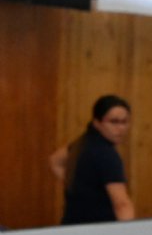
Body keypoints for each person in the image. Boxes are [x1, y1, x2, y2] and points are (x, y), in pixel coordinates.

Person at [49, 95, 135, 224]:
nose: (120, 128)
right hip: (96, 230)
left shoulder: (82, 143)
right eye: (114, 122)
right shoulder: (106, 155)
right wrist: (130, 233)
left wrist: (80, 186)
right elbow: (122, 204)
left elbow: (55, 160)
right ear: (97, 123)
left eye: (124, 122)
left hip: (71, 227)